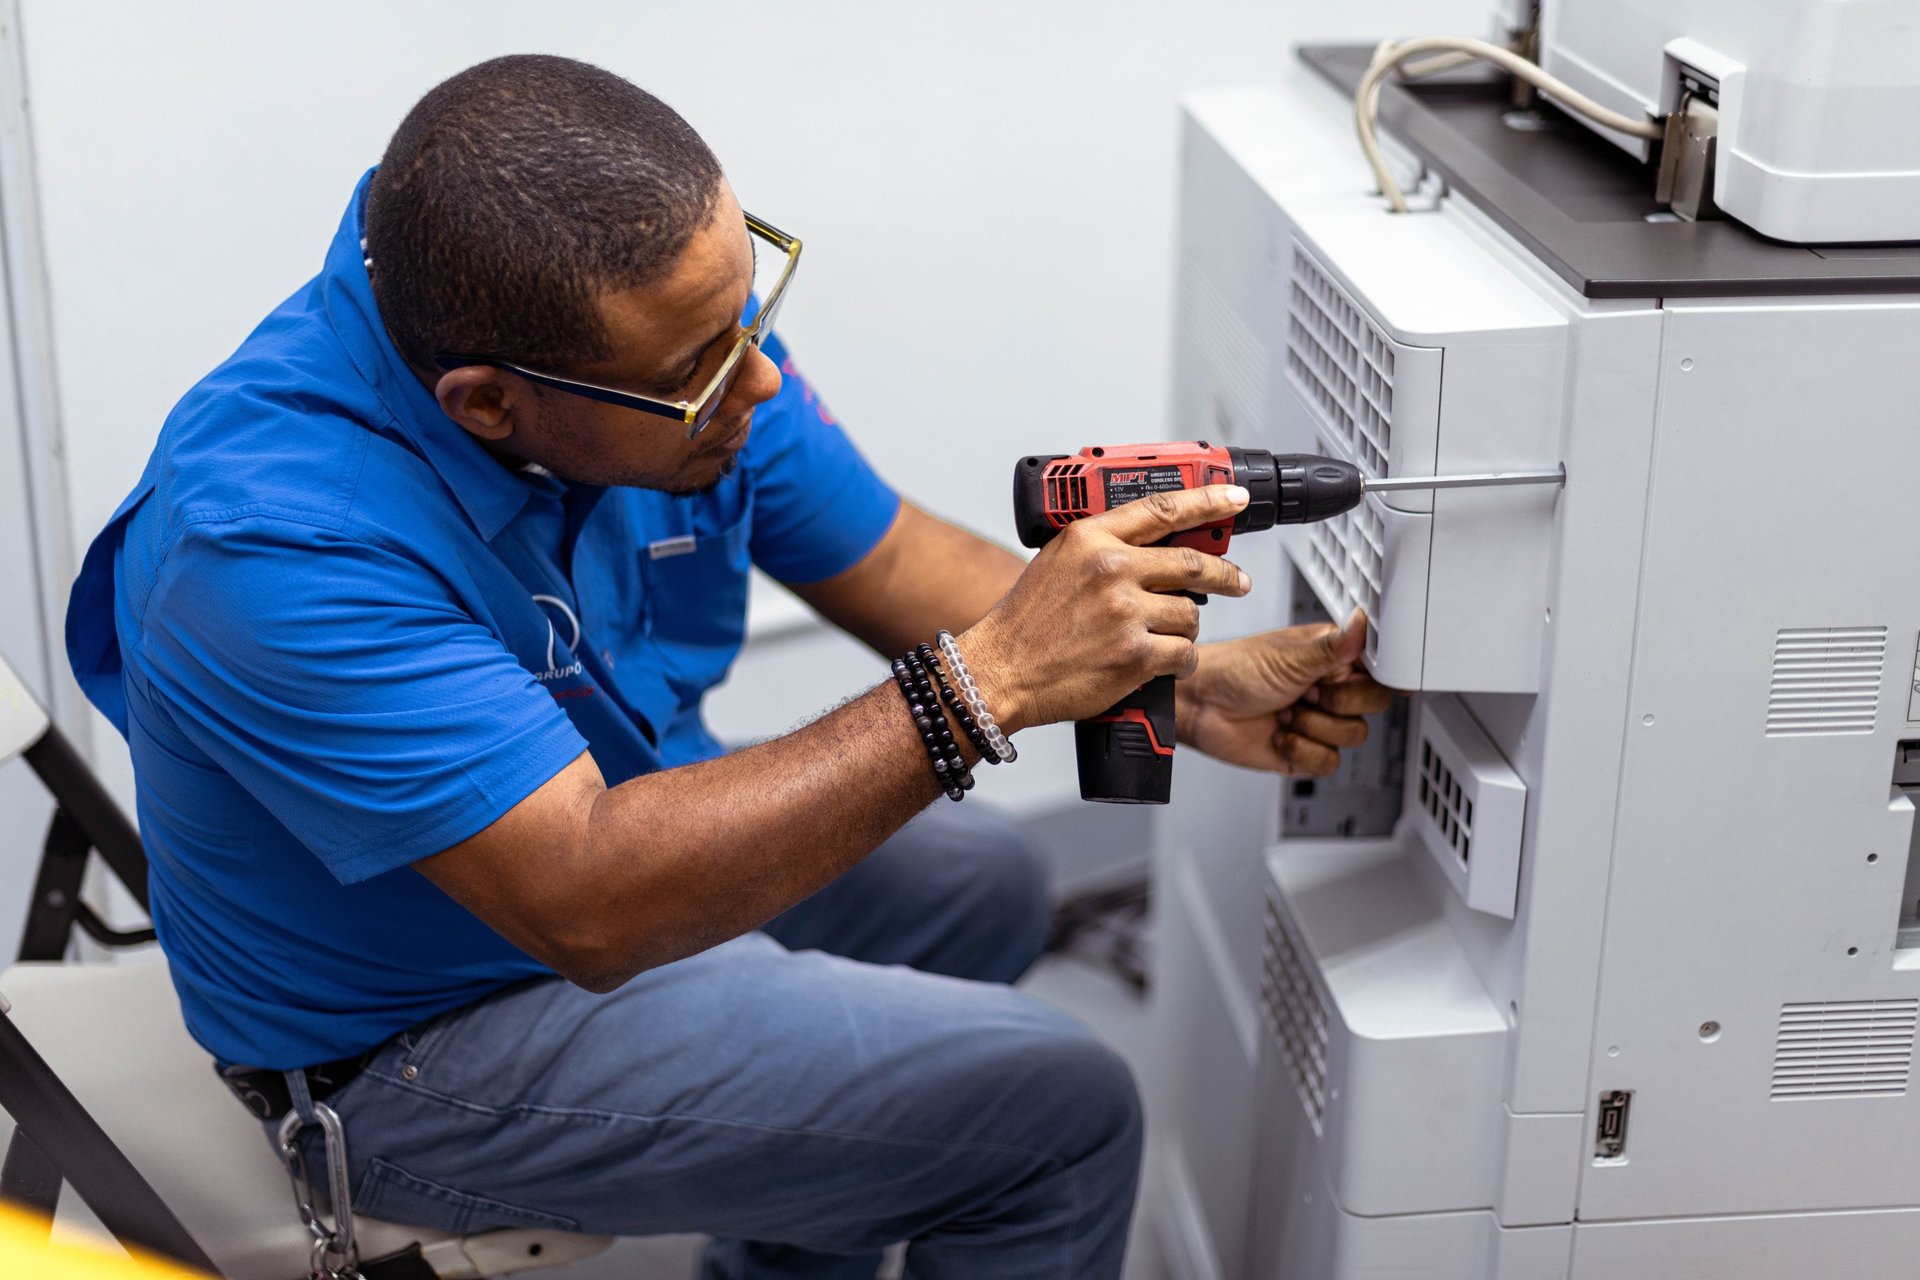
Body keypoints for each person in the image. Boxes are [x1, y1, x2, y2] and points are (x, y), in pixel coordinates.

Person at [65, 54, 1389, 1280]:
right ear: (487, 402)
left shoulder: (654, 340)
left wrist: (1176, 680)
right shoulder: (269, 541)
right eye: (705, 369)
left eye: (752, 311)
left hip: (597, 862)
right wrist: (981, 687)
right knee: (1066, 1110)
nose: (756, 380)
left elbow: (889, 562)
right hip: (421, 1042)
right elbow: (589, 902)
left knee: (983, 884)